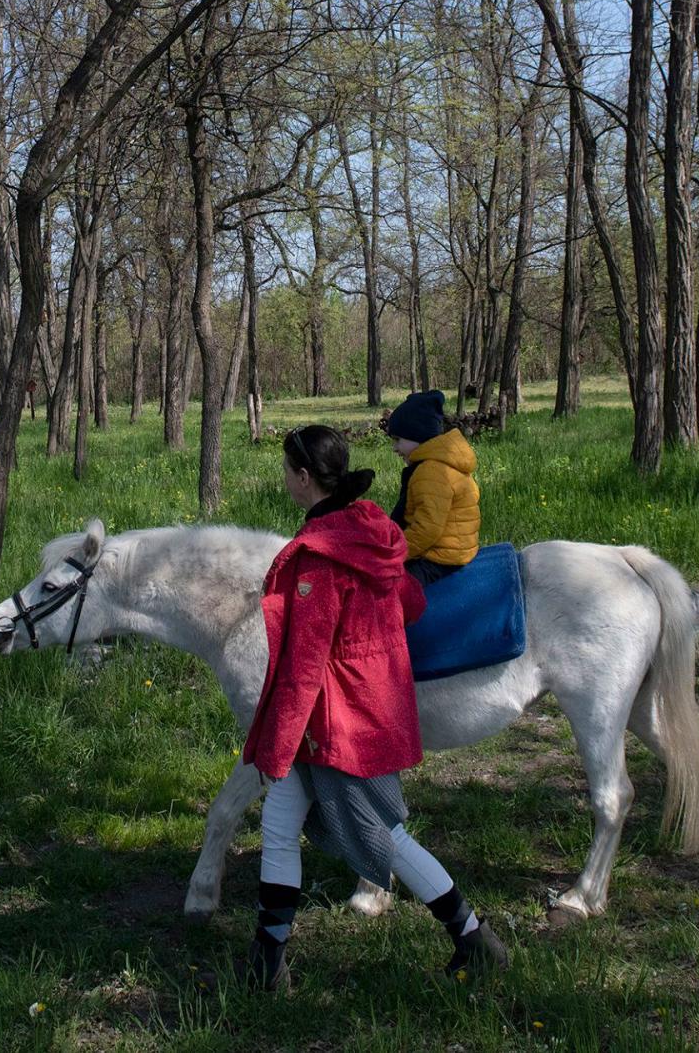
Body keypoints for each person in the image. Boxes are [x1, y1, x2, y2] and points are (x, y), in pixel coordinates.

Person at [238, 425, 509, 990]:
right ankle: (268, 961)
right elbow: (410, 600)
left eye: (288, 470)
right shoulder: (374, 532)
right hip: (366, 706)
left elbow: (304, 666)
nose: (285, 479)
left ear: (304, 478)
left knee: (386, 837)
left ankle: (472, 936)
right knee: (280, 825)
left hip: (339, 723)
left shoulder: (318, 556)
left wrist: (276, 745)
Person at [385, 390, 481, 588]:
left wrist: (394, 554)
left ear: (417, 436)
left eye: (398, 440)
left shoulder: (431, 472)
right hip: (452, 548)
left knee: (394, 591)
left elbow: (427, 529)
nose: (395, 448)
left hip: (440, 557)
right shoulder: (442, 463)